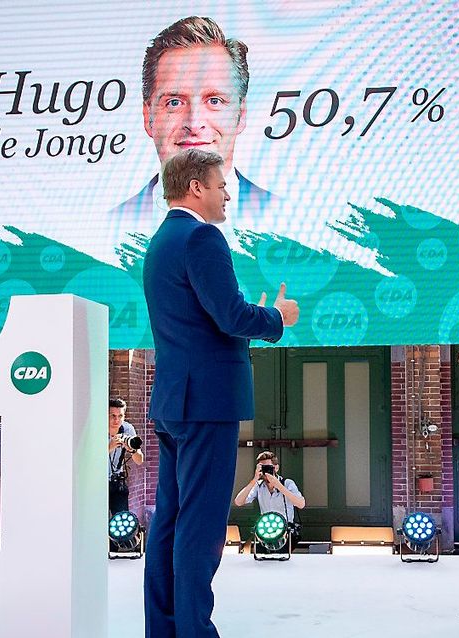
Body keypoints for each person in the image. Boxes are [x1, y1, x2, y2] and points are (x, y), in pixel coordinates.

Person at [142, 147, 299, 638]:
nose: (227, 192)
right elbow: (230, 316)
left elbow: (206, 319)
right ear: (195, 188)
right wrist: (277, 318)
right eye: (220, 184)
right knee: (201, 528)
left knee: (169, 520)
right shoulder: (203, 237)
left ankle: (164, 629)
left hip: (175, 401)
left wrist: (237, 316)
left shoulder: (162, 240)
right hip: (207, 403)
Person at [109, 16, 273, 252]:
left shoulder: (285, 213)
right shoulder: (116, 224)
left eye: (214, 100)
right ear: (148, 117)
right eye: (174, 102)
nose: (194, 124)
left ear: (241, 114)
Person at [233, 451, 306, 550]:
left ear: (276, 468)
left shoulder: (287, 483)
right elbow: (238, 501)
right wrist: (254, 479)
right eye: (262, 468)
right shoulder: (258, 486)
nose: (266, 471)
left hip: (285, 531)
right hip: (266, 530)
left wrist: (278, 486)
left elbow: (301, 504)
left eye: (268, 467)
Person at [109, 397, 145, 516]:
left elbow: (139, 460)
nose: (116, 420)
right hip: (96, 482)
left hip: (116, 481)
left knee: (122, 521)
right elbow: (91, 458)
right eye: (112, 416)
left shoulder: (127, 429)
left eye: (120, 416)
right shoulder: (97, 428)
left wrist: (132, 450)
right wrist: (110, 446)